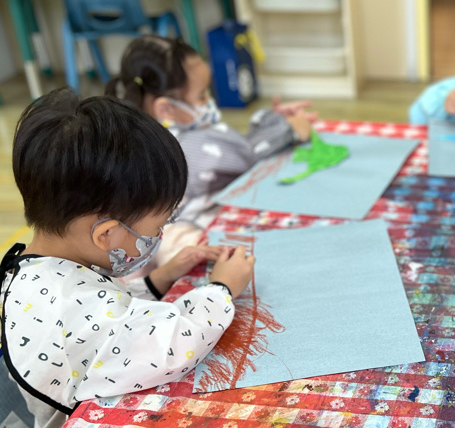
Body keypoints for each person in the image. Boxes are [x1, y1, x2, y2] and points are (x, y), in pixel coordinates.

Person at [0, 89, 255, 428]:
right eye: (158, 226)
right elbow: (169, 348)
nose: (159, 236)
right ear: (106, 235)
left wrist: (162, 277)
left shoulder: (38, 267)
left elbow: (106, 310)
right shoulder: (66, 307)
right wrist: (221, 289)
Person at [106, 35, 315, 260]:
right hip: (177, 236)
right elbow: (246, 157)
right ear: (166, 109)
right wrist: (287, 129)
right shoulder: (181, 146)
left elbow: (237, 146)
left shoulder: (152, 132)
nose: (209, 102)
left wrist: (272, 120)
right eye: (202, 95)